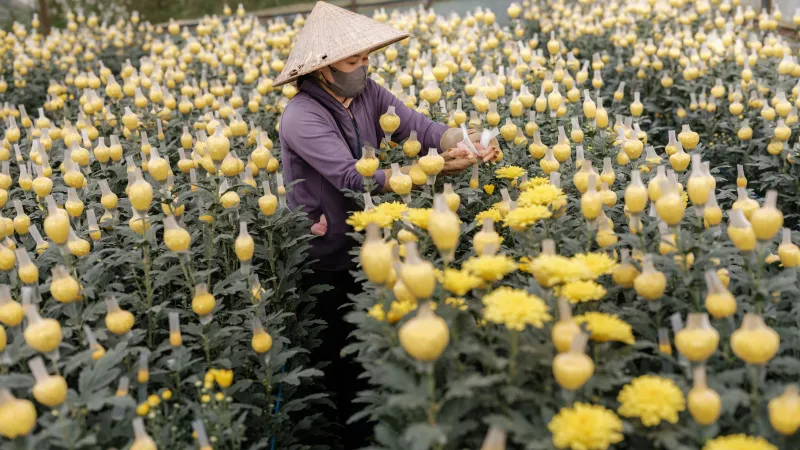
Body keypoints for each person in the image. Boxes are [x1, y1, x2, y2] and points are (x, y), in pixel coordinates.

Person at [273, 2, 498, 448]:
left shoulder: (368, 95)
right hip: (328, 253)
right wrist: (433, 170)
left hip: (371, 242)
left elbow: (421, 128)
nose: (364, 66)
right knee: (345, 360)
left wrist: (466, 141)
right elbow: (350, 177)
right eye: (353, 61)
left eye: (365, 57)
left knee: (378, 345)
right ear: (322, 70)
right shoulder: (302, 116)